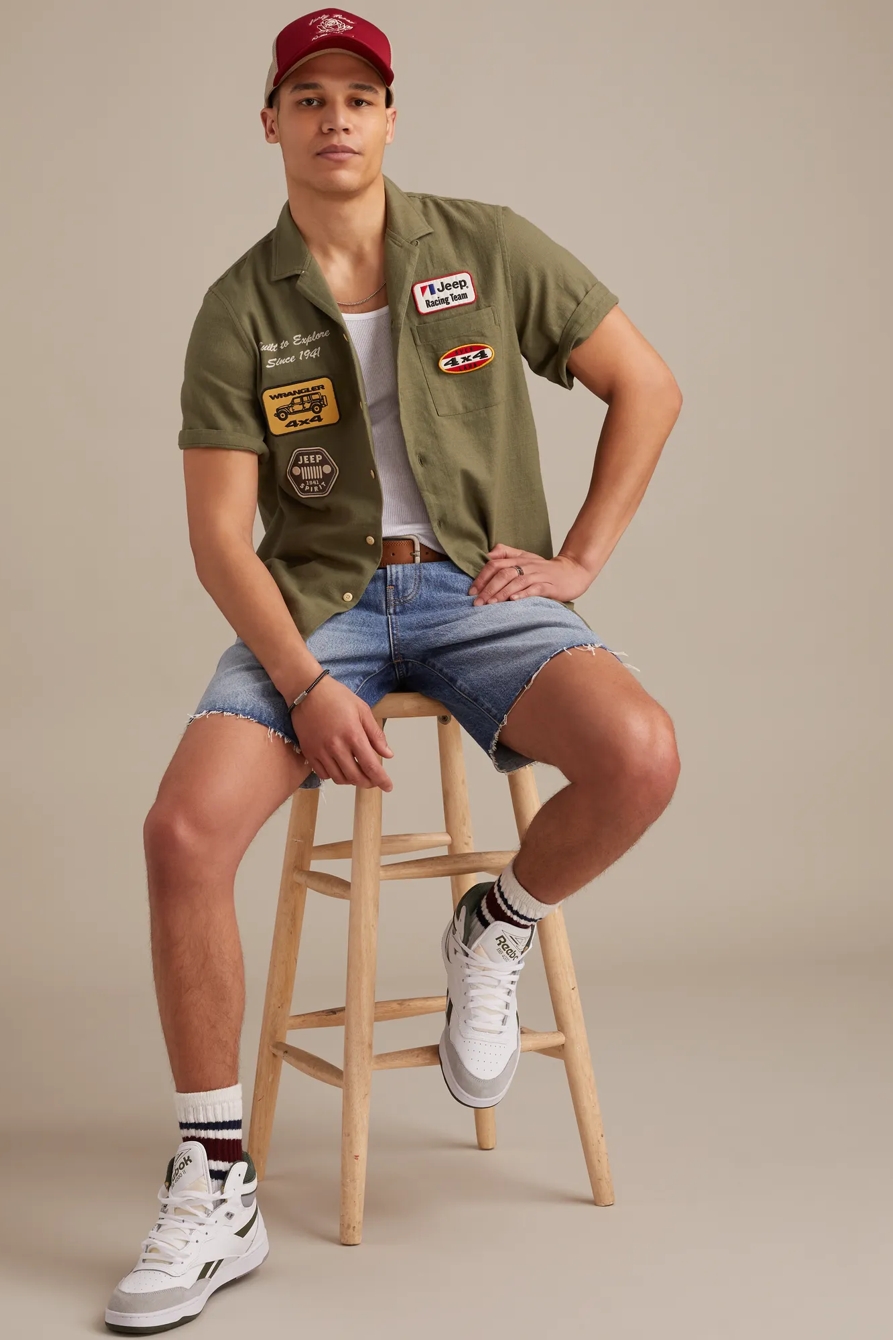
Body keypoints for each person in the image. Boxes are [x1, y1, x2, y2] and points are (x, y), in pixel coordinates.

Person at [104, 7, 682, 1333]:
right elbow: (219, 539)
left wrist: (578, 560)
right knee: (181, 833)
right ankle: (217, 1179)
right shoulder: (239, 307)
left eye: (357, 96)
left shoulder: (485, 245)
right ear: (271, 124)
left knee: (641, 755)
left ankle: (498, 924)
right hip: (320, 609)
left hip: (476, 592)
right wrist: (307, 684)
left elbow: (646, 386)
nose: (335, 118)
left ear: (389, 118)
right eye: (307, 97)